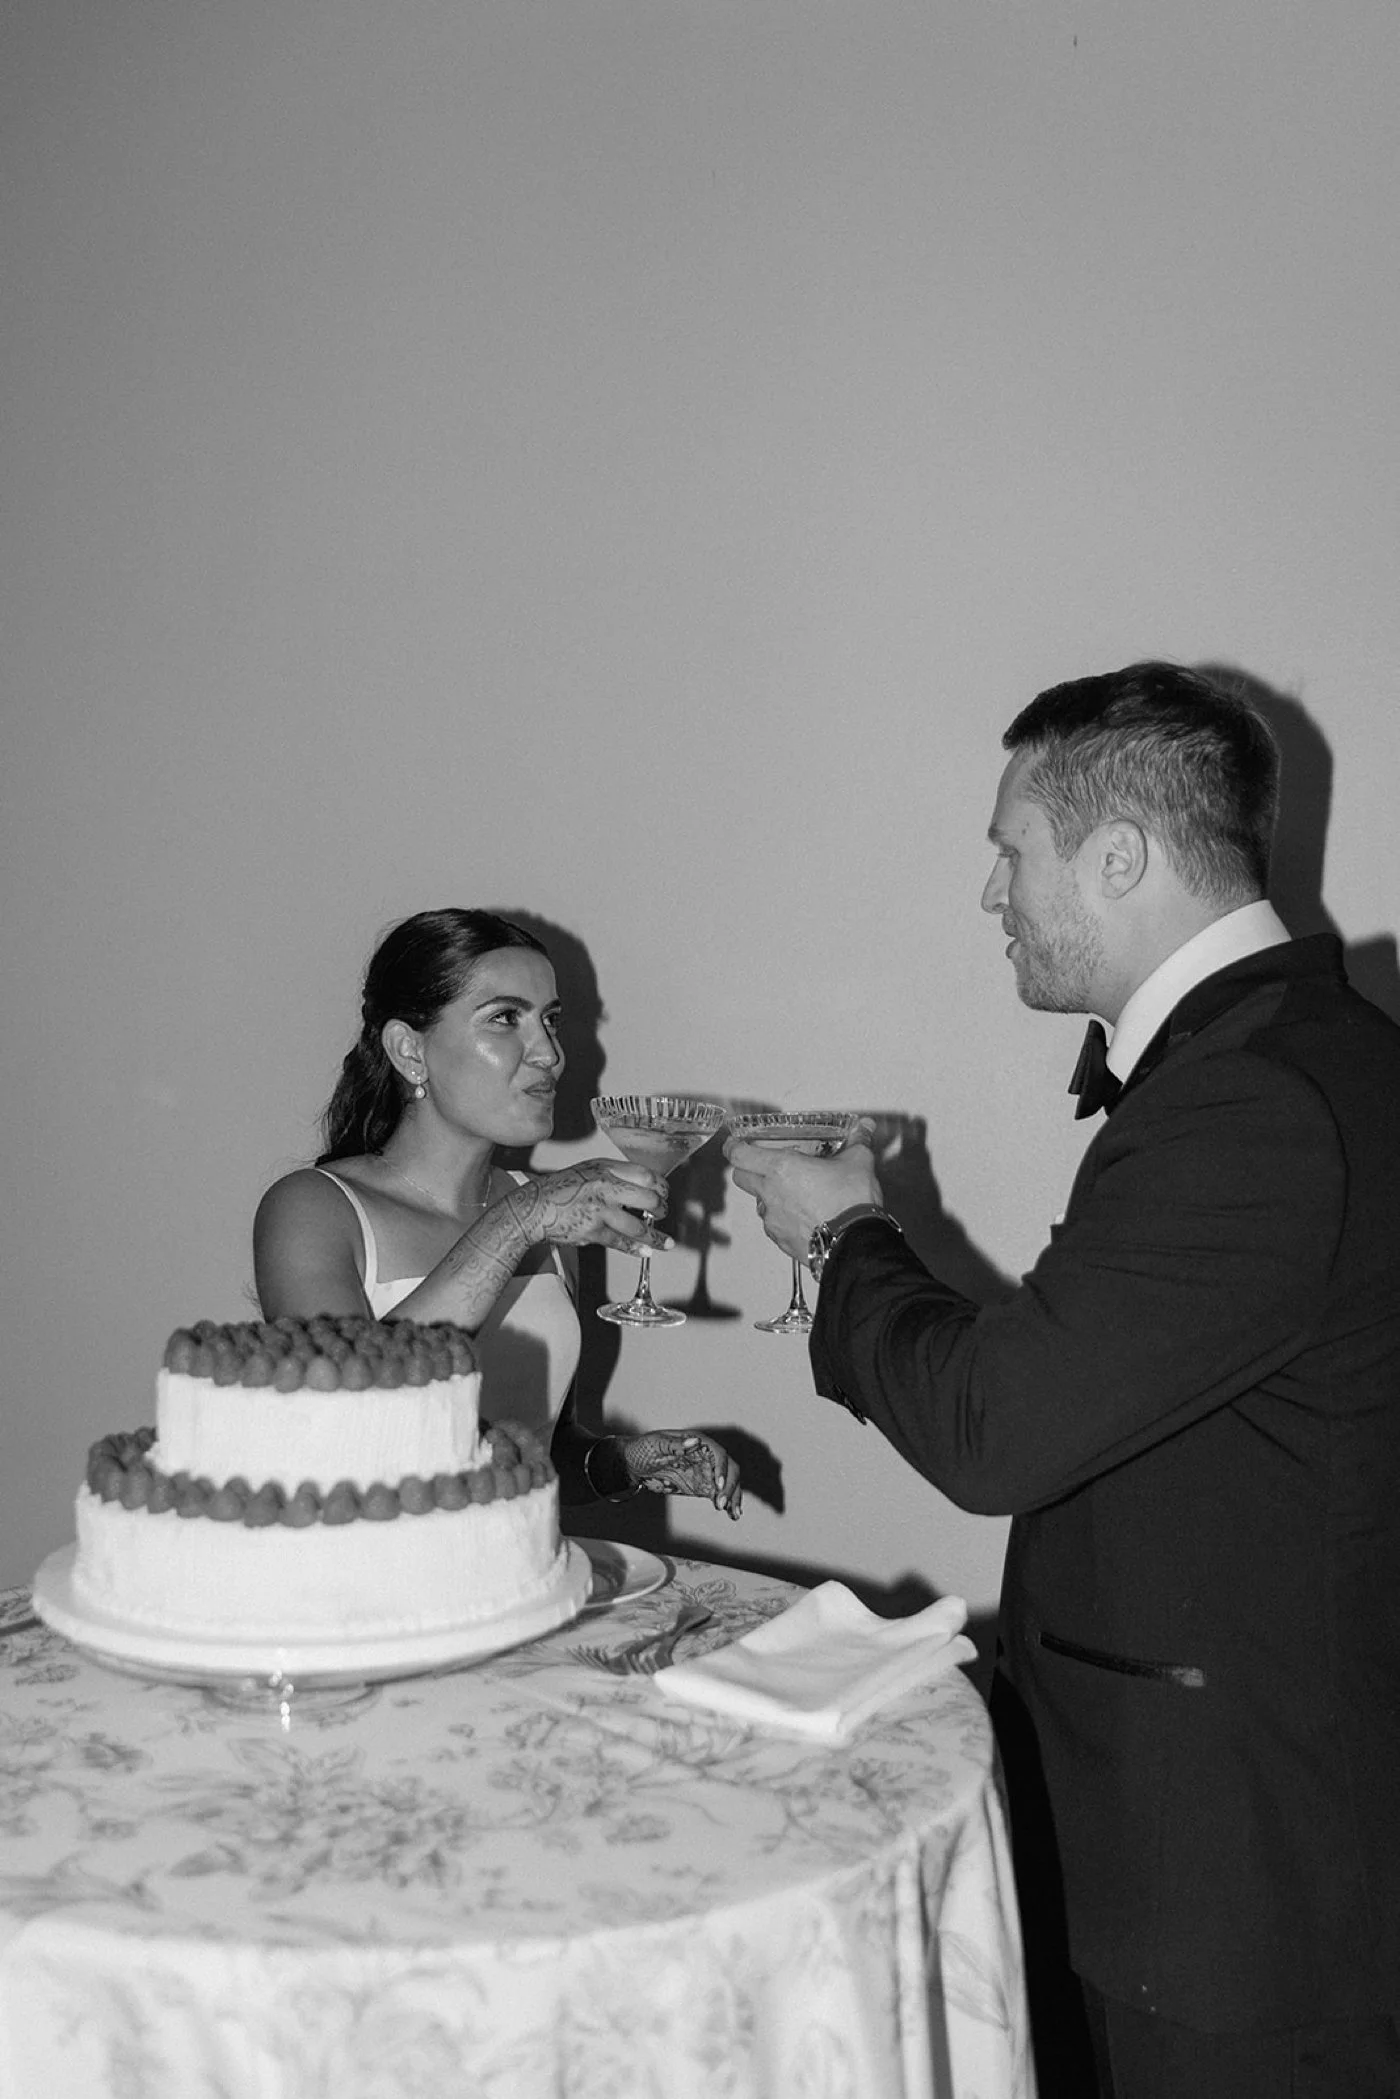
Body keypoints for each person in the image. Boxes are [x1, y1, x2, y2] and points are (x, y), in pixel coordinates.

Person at [727, 663, 1400, 2099]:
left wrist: (847, 1237)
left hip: (1239, 1888)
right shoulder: (1297, 1059)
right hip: (1236, 1833)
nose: (992, 892)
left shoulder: (1256, 1101)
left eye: (1008, 847)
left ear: (1119, 855)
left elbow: (996, 1425)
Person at [255, 908, 741, 1517]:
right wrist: (519, 1220)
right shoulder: (313, 1207)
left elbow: (531, 1459)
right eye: (505, 1019)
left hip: (519, 1579)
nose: (551, 1054)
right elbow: (349, 1419)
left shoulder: (548, 1218)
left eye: (551, 1020)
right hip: (369, 1591)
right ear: (410, 1050)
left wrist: (624, 1461)